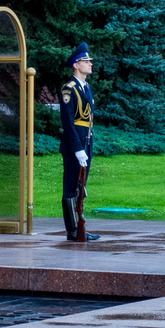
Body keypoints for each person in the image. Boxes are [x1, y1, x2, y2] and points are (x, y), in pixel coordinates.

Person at [60, 42, 99, 242]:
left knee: (80, 187)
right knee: (70, 187)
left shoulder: (86, 87)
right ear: (77, 65)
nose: (90, 64)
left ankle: (80, 225)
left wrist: (86, 147)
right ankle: (72, 229)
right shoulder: (69, 89)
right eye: (86, 61)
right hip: (75, 146)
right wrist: (77, 149)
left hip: (86, 144)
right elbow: (68, 123)